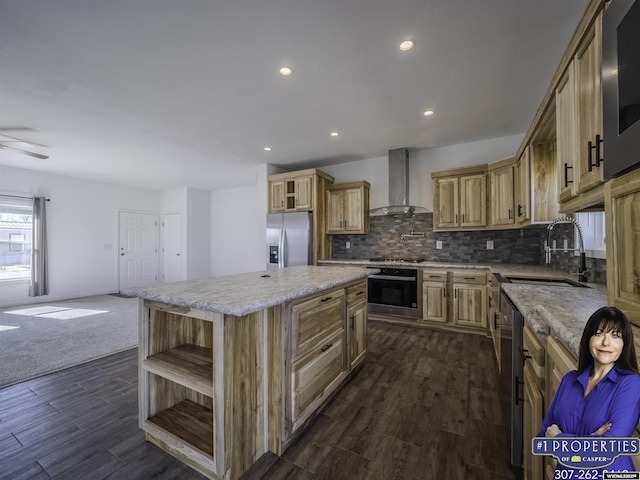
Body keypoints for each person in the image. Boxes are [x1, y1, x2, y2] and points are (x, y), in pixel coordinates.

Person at [537, 306, 640, 475]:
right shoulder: (569, 380)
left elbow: (607, 450)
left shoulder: (631, 385)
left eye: (615, 335)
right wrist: (593, 440)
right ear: (588, 339)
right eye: (599, 333)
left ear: (624, 344)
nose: (606, 343)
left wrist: (559, 438)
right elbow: (542, 439)